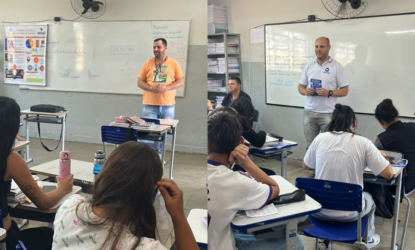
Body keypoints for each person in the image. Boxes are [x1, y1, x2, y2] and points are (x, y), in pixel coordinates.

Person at [52, 141, 198, 250]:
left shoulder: (70, 205)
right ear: (152, 189)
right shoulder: (144, 247)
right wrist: (178, 216)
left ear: (106, 173)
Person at [208, 109, 304, 250]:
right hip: (223, 244)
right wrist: (245, 162)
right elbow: (275, 188)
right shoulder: (238, 183)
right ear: (241, 142)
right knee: (297, 242)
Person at [302, 104, 393, 249]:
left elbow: (306, 165)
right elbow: (388, 174)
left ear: (333, 121)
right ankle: (368, 240)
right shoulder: (363, 142)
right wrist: (378, 156)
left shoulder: (320, 138)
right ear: (354, 123)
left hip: (318, 209)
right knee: (371, 199)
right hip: (350, 213)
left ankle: (323, 241)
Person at [0, 96, 74, 250]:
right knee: (47, 235)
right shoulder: (10, 159)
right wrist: (63, 188)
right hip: (5, 241)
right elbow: (44, 204)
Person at [298, 37, 349, 178]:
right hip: (309, 112)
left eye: (321, 46)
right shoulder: (309, 66)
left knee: (330, 145)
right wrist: (305, 91)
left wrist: (329, 92)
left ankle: (328, 173)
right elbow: (300, 87)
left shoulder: (337, 67)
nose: (318, 49)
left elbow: (345, 90)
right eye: (316, 46)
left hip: (328, 113)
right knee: (311, 145)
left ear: (328, 48)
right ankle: (313, 173)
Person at [374, 99, 415, 193]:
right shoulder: (413, 126)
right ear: (397, 113)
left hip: (398, 186)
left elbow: (371, 159)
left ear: (380, 121)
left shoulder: (381, 139)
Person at [137, 38, 184, 119]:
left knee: (165, 131)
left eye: (158, 47)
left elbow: (180, 81)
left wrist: (166, 88)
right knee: (148, 131)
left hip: (168, 106)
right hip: (149, 105)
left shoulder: (174, 63)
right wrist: (151, 88)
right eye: (154, 47)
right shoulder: (147, 64)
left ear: (165, 48)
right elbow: (139, 82)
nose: (155, 49)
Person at [228, 97, 276, 175]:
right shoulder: (238, 121)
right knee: (271, 173)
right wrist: (263, 132)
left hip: (215, 166)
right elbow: (258, 141)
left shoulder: (220, 114)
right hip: (232, 168)